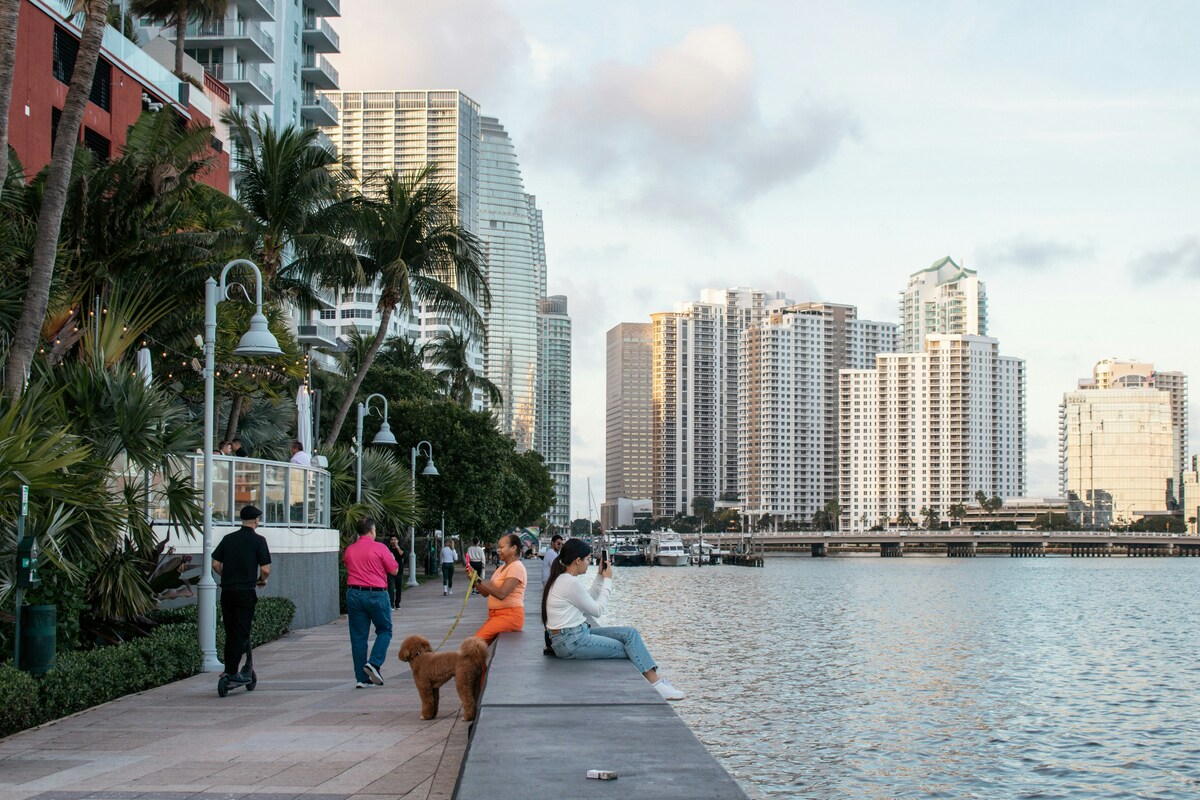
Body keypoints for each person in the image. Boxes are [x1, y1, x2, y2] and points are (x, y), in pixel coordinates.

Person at [542, 538, 684, 700]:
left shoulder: (564, 579)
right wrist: (608, 580)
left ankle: (657, 682)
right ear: (577, 560)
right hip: (571, 641)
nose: (589, 563)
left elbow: (587, 599)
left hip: (572, 635)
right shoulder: (570, 583)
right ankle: (656, 684)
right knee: (628, 649)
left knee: (630, 634)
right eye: (588, 559)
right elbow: (597, 610)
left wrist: (600, 577)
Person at [211, 505, 271, 683]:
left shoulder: (228, 539)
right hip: (245, 591)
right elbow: (266, 569)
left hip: (227, 590)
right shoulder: (259, 540)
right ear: (256, 520)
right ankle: (231, 672)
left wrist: (227, 576)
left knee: (231, 631)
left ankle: (230, 668)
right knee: (241, 631)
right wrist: (260, 580)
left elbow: (215, 563)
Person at [343, 517, 398, 688]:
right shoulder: (380, 548)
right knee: (385, 630)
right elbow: (394, 570)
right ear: (372, 530)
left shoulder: (350, 550)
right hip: (376, 594)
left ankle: (361, 678)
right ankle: (374, 663)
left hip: (354, 593)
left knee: (358, 636)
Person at [466, 532, 526, 644]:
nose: (498, 550)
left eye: (502, 547)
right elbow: (485, 592)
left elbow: (501, 594)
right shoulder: (502, 568)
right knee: (476, 647)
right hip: (495, 615)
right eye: (498, 547)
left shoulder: (516, 567)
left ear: (513, 548)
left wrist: (479, 580)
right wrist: (474, 578)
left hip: (509, 616)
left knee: (474, 645)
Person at [385, 535, 405, 610]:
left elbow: (402, 555)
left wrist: (397, 547)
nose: (393, 541)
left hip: (399, 571)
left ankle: (397, 603)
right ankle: (391, 604)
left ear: (397, 540)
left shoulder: (400, 548)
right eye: (392, 539)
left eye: (395, 539)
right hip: (390, 571)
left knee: (398, 588)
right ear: (390, 541)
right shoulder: (388, 549)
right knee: (391, 587)